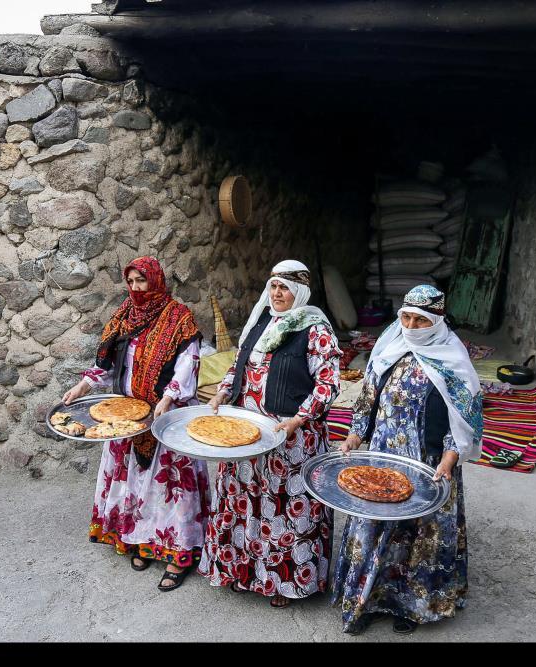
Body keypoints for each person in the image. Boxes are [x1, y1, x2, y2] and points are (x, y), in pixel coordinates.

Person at [331, 284, 483, 634]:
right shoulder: (390, 345)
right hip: (383, 455)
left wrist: (448, 459)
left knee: (418, 536)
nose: (412, 327)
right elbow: (369, 393)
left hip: (428, 461)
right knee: (373, 526)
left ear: (438, 321)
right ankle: (365, 601)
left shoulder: (452, 360)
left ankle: (410, 607)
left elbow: (462, 419)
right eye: (406, 317)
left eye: (421, 320)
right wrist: (356, 434)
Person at [199, 260, 342, 608]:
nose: (277, 294)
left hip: (291, 438)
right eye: (274, 287)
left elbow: (328, 385)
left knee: (282, 508)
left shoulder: (314, 329)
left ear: (300, 293)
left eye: (285, 288)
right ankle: (242, 571)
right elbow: (239, 363)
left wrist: (299, 419)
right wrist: (222, 391)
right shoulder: (261, 321)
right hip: (247, 432)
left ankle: (284, 582)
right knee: (243, 501)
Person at [62, 256, 208, 592]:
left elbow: (189, 362)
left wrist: (168, 399)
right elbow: (108, 363)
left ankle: (179, 554)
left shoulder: (178, 318)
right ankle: (142, 542)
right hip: (128, 416)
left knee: (171, 488)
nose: (136, 288)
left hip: (165, 417)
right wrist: (83, 386)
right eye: (130, 282)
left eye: (141, 281)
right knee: (136, 486)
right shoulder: (124, 315)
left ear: (155, 280)